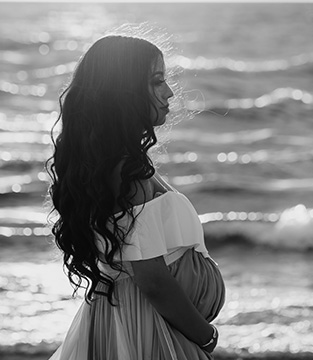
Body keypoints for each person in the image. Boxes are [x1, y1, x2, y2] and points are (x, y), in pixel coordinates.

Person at [46, 27, 225, 360]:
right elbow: (152, 279)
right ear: (124, 92)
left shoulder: (109, 163)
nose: (170, 92)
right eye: (157, 81)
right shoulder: (128, 173)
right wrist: (206, 336)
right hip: (146, 326)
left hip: (125, 316)